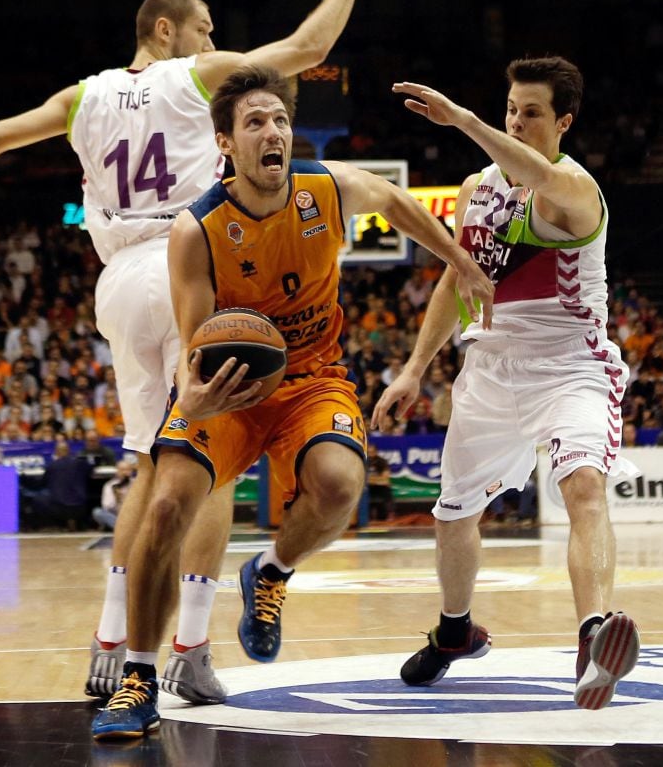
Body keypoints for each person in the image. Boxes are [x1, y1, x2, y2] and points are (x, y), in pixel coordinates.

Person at [0, 0, 380, 705]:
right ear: (164, 29)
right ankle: (191, 645)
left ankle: (109, 635)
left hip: (118, 283)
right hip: (190, 257)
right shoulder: (193, 77)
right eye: (202, 29)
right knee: (210, 460)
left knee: (149, 462)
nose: (211, 43)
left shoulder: (80, 98)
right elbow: (305, 51)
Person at [90, 64, 494, 740]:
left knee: (340, 485)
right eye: (255, 122)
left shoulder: (326, 190)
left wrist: (462, 260)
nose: (273, 131)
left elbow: (397, 205)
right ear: (225, 143)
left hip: (311, 376)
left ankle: (269, 573)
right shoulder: (198, 229)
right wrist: (194, 393)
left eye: (280, 120)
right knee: (164, 504)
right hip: (228, 386)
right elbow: (194, 352)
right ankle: (137, 675)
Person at [372, 56, 640, 711]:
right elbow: (455, 282)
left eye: (532, 112)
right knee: (453, 512)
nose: (516, 120)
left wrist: (460, 119)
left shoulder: (574, 189)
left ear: (564, 122)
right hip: (489, 370)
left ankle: (593, 634)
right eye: (510, 109)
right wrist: (413, 367)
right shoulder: (476, 189)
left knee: (582, 486)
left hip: (570, 366)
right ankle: (455, 629)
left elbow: (538, 175)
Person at [93, 458, 136, 531]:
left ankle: (122, 528)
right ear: (117, 471)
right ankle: (124, 528)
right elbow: (106, 506)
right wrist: (117, 498)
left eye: (128, 470)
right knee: (97, 512)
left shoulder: (137, 483)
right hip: (115, 515)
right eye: (122, 470)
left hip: (133, 515)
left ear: (132, 472)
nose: (125, 472)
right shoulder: (109, 485)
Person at [365, 442, 394, 521]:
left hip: (380, 489)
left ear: (376, 452)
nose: (370, 454)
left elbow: (385, 479)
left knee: (386, 487)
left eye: (372, 452)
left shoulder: (382, 461)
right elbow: (361, 478)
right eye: (369, 452)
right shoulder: (363, 461)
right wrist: (375, 479)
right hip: (368, 489)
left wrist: (371, 480)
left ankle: (388, 514)